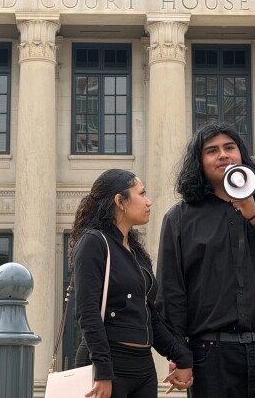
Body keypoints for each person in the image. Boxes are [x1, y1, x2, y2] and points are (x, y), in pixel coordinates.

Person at [156, 123, 255, 398]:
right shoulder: (179, 218)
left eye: (230, 148)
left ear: (242, 155)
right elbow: (171, 292)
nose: (223, 155)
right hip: (211, 357)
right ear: (199, 162)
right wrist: (179, 354)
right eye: (212, 151)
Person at [69, 169, 194, 398]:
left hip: (143, 367)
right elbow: (87, 312)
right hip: (107, 363)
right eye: (142, 193)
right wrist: (103, 372)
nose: (149, 201)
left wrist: (182, 357)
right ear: (120, 200)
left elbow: (150, 315)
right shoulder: (93, 243)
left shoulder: (137, 252)